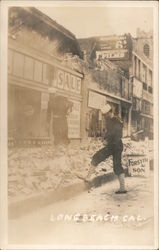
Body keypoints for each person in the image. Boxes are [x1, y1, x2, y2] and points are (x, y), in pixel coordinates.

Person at [86, 103, 127, 194]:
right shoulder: (109, 120)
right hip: (111, 145)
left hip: (116, 146)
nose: (104, 117)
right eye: (103, 115)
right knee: (96, 157)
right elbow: (109, 132)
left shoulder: (117, 121)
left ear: (110, 112)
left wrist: (107, 140)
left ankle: (122, 188)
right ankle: (87, 178)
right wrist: (105, 138)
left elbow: (116, 134)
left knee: (117, 166)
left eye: (105, 115)